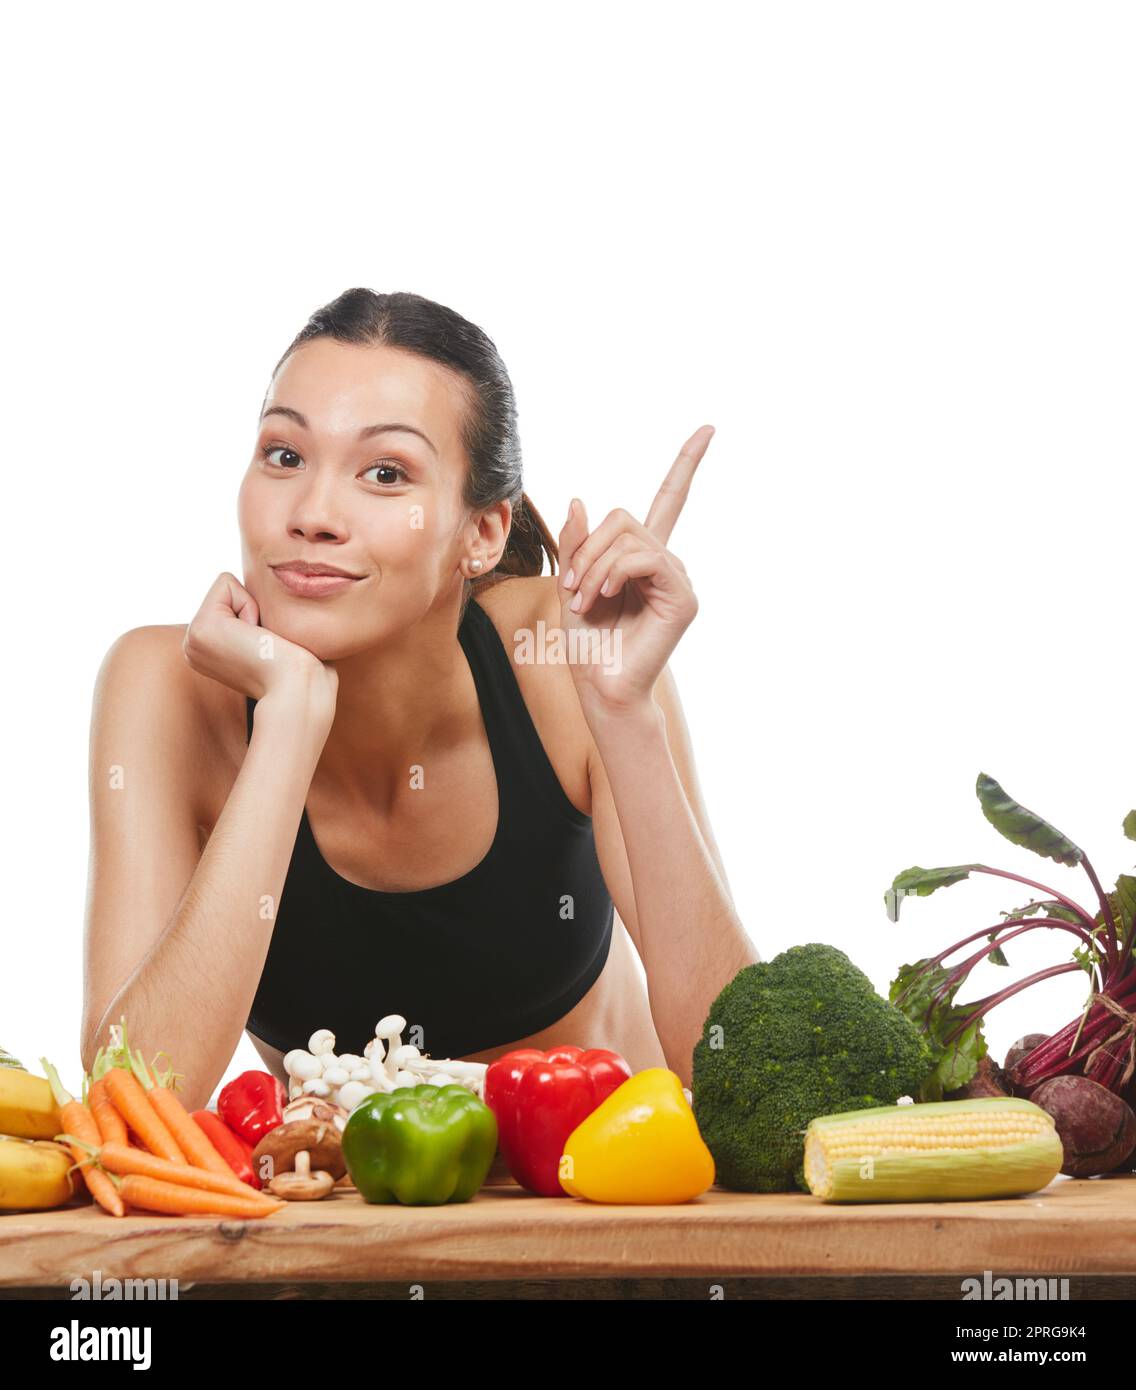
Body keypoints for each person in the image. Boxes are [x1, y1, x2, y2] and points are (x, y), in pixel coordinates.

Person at [81, 288, 757, 1112]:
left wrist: (626, 715)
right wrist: (287, 721)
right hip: (343, 1223)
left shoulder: (562, 657)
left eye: (385, 472)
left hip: (603, 1204)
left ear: (482, 533)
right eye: (285, 455)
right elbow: (129, 1102)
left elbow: (742, 1066)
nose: (313, 514)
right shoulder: (165, 688)